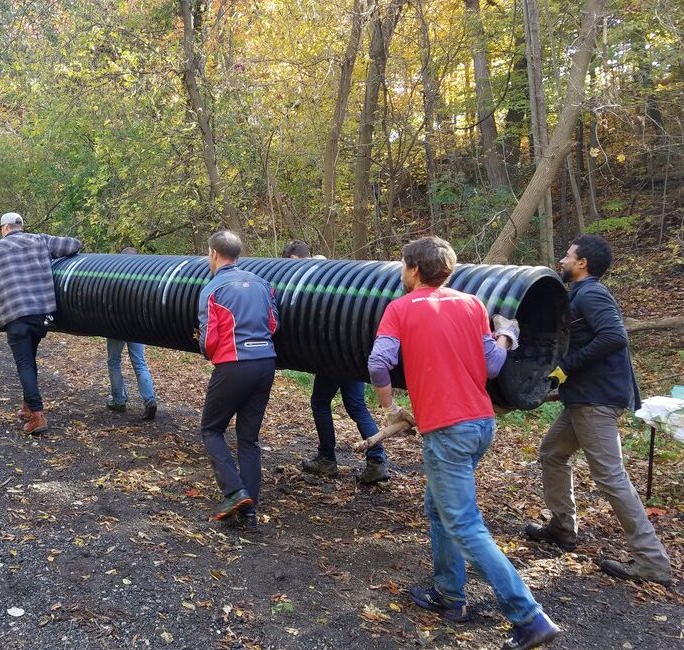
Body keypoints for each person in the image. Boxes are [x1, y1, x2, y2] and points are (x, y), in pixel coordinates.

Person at [367, 236, 559, 650]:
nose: (402, 273)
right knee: (438, 508)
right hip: (480, 425)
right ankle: (449, 593)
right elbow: (491, 365)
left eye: (404, 266)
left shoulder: (399, 309)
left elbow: (378, 362)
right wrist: (506, 336)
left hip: (447, 430)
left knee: (465, 524)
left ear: (414, 270)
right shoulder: (473, 305)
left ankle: (529, 617)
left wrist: (392, 407)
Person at [525, 235, 672, 586]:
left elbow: (614, 337)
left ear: (582, 264)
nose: (562, 258)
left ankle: (652, 561)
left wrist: (568, 366)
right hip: (583, 399)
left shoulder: (592, 293)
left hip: (597, 400)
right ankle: (562, 527)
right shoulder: (576, 294)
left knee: (609, 476)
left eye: (568, 254)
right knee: (552, 453)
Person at [282, 241, 390, 484]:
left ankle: (326, 459)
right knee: (357, 406)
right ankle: (377, 461)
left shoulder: (309, 278)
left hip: (332, 352)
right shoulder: (333, 271)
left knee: (320, 402)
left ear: (295, 259)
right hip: (353, 352)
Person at [198, 230, 279, 529]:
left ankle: (234, 491)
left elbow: (209, 340)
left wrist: (207, 349)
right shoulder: (262, 284)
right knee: (248, 438)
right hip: (265, 364)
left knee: (211, 429)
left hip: (233, 365)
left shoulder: (213, 289)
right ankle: (249, 510)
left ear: (214, 254)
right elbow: (273, 324)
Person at [0, 212, 81, 435]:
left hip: (16, 315)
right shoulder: (40, 240)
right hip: (40, 315)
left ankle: (37, 415)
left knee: (24, 364)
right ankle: (27, 407)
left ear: (4, 228)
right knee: (29, 359)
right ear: (20, 226)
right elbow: (74, 244)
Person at [105, 247, 158, 420]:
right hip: (137, 326)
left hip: (115, 326)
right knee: (140, 363)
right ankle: (149, 400)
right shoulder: (144, 280)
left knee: (114, 361)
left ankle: (119, 400)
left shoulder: (113, 280)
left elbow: (103, 302)